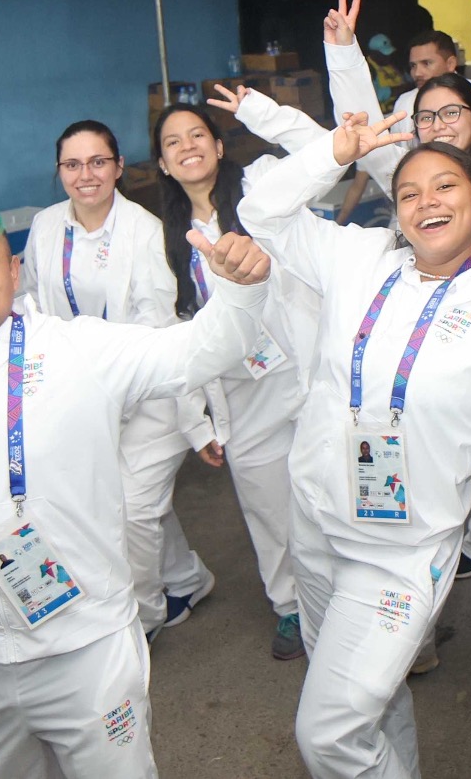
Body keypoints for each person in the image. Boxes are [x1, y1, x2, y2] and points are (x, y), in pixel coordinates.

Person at [0, 197, 275, 779]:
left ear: (12, 271)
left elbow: (194, 353)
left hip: (88, 650)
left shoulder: (78, 350)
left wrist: (240, 291)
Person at [237, 115, 471, 778]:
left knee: (327, 733)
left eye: (446, 186)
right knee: (372, 705)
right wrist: (335, 151)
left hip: (401, 553)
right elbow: (259, 209)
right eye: (409, 192)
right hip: (318, 525)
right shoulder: (359, 260)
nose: (426, 201)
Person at [20, 119, 218, 637]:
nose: (85, 175)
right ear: (59, 170)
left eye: (98, 162)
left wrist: (196, 422)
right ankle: (186, 577)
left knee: (130, 509)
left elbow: (166, 329)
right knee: (127, 500)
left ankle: (144, 614)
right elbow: (34, 305)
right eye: (72, 164)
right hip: (82, 394)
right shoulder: (45, 227)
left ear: (119, 167)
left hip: (150, 396)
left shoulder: (145, 231)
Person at [152, 92, 322, 659]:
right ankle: (290, 607)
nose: (187, 148)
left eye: (197, 135)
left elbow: (322, 152)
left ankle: (346, 600)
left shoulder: (260, 184)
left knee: (331, 493)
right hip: (241, 393)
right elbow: (174, 335)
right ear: (162, 164)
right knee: (269, 509)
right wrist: (195, 423)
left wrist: (262, 110)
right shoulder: (164, 240)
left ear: (220, 146)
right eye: (173, 142)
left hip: (304, 369)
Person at [323, 0, 471, 146]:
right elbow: (397, 159)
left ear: (451, 63)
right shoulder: (406, 104)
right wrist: (342, 51)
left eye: (427, 63)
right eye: (413, 65)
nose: (417, 73)